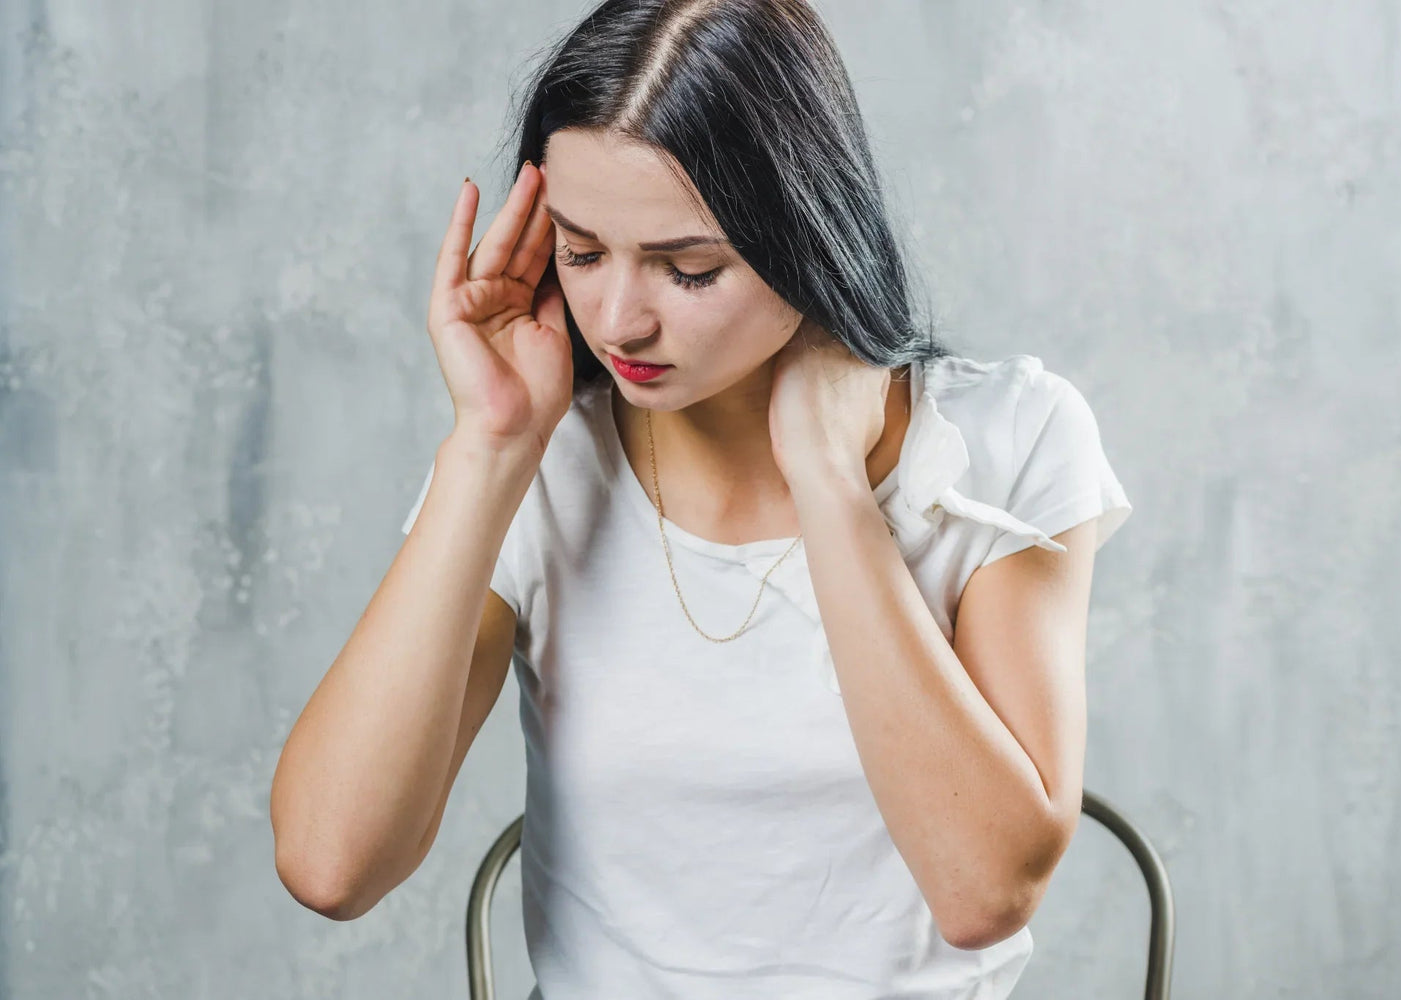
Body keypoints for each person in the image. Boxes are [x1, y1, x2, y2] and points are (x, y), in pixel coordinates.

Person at [271, 1, 1133, 997]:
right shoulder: (541, 467)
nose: (618, 320)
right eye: (582, 252)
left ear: (808, 230)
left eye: (688, 269)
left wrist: (827, 478)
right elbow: (330, 865)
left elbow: (985, 888)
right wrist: (491, 444)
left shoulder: (1007, 439)